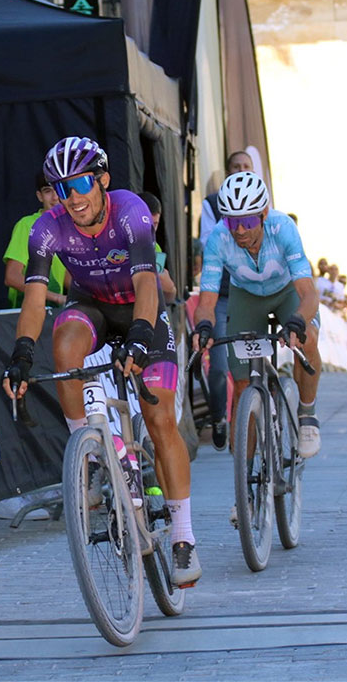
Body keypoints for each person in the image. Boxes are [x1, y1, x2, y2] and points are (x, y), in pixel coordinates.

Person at [3, 137, 201, 587]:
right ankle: (90, 457)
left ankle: (183, 537)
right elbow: (34, 301)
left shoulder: (130, 212)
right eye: (61, 187)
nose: (72, 196)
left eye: (81, 184)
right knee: (64, 341)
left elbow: (149, 285)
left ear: (103, 181)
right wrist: (21, 353)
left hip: (139, 310)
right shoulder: (46, 228)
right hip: (90, 306)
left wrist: (140, 337)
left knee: (159, 417)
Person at [191, 172, 323, 462]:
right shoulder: (218, 239)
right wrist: (203, 326)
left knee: (308, 338)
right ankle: (245, 496)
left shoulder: (283, 228)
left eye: (248, 221)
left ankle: (307, 414)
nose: (239, 230)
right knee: (241, 388)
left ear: (263, 214)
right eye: (232, 221)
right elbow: (207, 300)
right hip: (247, 296)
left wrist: (298, 321)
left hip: (286, 291)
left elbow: (309, 294)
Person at [197, 150, 255, 452]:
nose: (241, 170)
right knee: (218, 364)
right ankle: (219, 417)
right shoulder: (212, 204)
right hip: (221, 295)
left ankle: (253, 420)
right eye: (236, 167)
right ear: (228, 171)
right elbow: (209, 245)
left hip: (254, 295)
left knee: (251, 364)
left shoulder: (263, 203)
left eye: (246, 166)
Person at [3, 172, 67, 307]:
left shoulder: (69, 227)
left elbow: (67, 279)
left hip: (52, 316)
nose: (55, 197)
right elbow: (12, 277)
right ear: (40, 196)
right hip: (24, 310)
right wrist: (56, 297)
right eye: (48, 191)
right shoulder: (26, 225)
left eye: (59, 190)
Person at [139, 191, 178, 301]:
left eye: (155, 224)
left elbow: (167, 295)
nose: (151, 230)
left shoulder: (156, 248)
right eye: (146, 224)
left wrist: (170, 288)